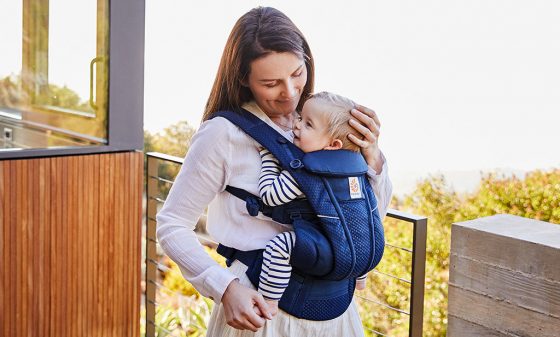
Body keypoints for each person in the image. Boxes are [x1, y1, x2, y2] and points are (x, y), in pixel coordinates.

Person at [156, 6, 392, 337]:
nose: (291, 92)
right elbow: (172, 225)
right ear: (243, 79)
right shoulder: (223, 134)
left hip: (336, 311)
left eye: (297, 73)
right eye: (271, 83)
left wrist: (373, 157)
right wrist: (225, 288)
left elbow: (364, 219)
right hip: (261, 311)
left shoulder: (324, 123)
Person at [257, 91, 372, 313]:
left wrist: (269, 159)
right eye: (300, 118)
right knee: (357, 228)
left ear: (333, 144)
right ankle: (359, 279)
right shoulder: (356, 168)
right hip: (360, 250)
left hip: (328, 250)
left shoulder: (308, 170)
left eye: (308, 124)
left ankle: (269, 302)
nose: (297, 125)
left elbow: (271, 196)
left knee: (278, 247)